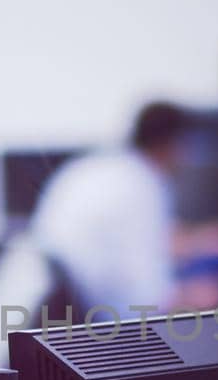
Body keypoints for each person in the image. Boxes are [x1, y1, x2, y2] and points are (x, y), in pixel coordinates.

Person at [31, 101, 189, 314]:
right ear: (170, 144)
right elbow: (147, 294)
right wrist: (195, 298)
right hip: (100, 312)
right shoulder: (141, 183)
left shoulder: (101, 167)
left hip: (63, 296)